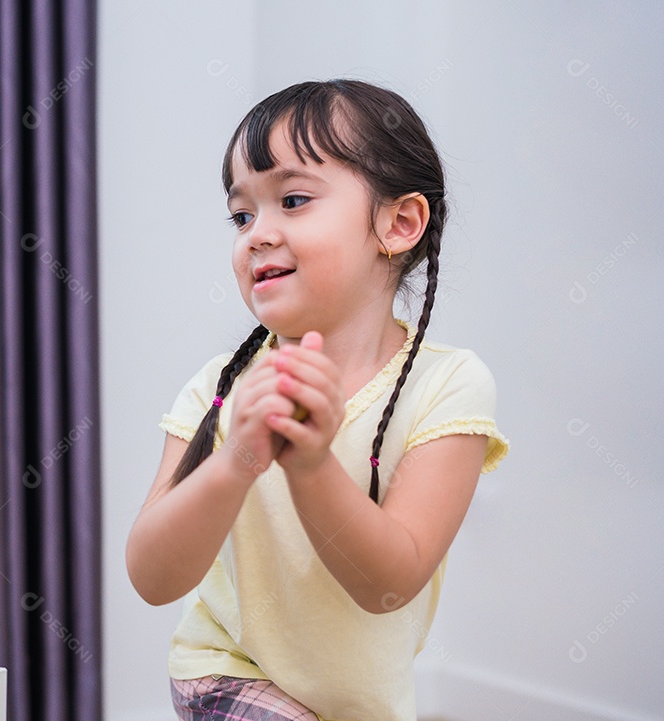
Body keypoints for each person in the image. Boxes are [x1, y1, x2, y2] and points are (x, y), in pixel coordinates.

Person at [126, 80, 510, 721]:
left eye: (293, 200)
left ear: (399, 223)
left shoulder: (450, 386)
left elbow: (388, 585)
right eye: (242, 216)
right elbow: (152, 577)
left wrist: (309, 465)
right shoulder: (220, 390)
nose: (256, 235)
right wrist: (239, 459)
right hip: (225, 671)